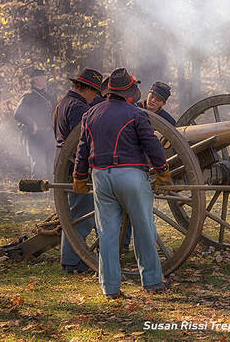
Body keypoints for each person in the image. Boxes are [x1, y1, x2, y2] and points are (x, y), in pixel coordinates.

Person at [72, 68, 172, 298]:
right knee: (143, 227)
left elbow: (82, 149)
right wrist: (163, 171)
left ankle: (110, 288)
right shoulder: (135, 113)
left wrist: (79, 177)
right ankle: (152, 281)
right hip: (130, 176)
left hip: (100, 177)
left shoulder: (90, 114)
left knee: (107, 233)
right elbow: (151, 145)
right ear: (129, 93)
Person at [53, 68, 103, 274]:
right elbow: (81, 141)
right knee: (80, 215)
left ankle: (72, 259)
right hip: (74, 165)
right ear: (88, 89)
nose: (96, 97)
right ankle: (73, 262)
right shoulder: (77, 107)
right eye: (95, 92)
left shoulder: (63, 102)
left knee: (76, 213)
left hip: (65, 162)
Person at [14, 67, 55, 179]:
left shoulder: (49, 97)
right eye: (43, 78)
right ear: (35, 80)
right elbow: (18, 114)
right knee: (39, 164)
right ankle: (36, 193)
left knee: (52, 164)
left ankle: (53, 191)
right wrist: (32, 123)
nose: (45, 80)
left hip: (49, 134)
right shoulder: (28, 96)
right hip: (35, 136)